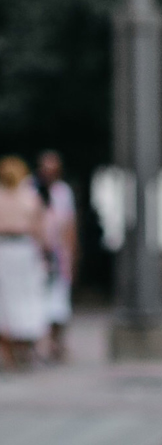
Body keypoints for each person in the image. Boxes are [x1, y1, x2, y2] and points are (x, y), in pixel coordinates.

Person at [0, 155, 49, 368]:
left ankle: (9, 351)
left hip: (4, 250)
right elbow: (40, 231)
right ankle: (24, 347)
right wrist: (45, 256)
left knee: (5, 300)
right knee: (27, 297)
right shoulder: (30, 197)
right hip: (24, 250)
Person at [35, 151, 77, 362]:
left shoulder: (63, 192)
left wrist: (71, 255)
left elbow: (69, 226)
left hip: (59, 254)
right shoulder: (32, 189)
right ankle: (40, 343)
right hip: (37, 255)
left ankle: (56, 341)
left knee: (59, 301)